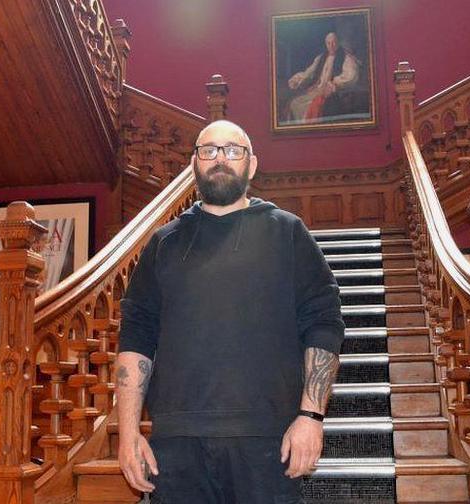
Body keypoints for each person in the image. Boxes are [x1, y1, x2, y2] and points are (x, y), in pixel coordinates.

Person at [116, 120, 344, 503]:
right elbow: (136, 338)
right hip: (176, 446)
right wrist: (127, 433)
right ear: (195, 164)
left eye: (233, 150)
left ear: (251, 165)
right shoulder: (162, 244)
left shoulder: (288, 233)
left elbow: (324, 325)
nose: (220, 158)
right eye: (209, 150)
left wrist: (311, 418)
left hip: (267, 442)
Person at [286, 32, 359, 124]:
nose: (331, 45)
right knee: (294, 103)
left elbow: (351, 76)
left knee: (313, 106)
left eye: (334, 42)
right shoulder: (321, 58)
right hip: (317, 89)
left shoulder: (346, 58)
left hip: (331, 91)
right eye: (328, 43)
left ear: (338, 42)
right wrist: (297, 80)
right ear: (326, 44)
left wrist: (334, 83)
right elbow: (309, 72)